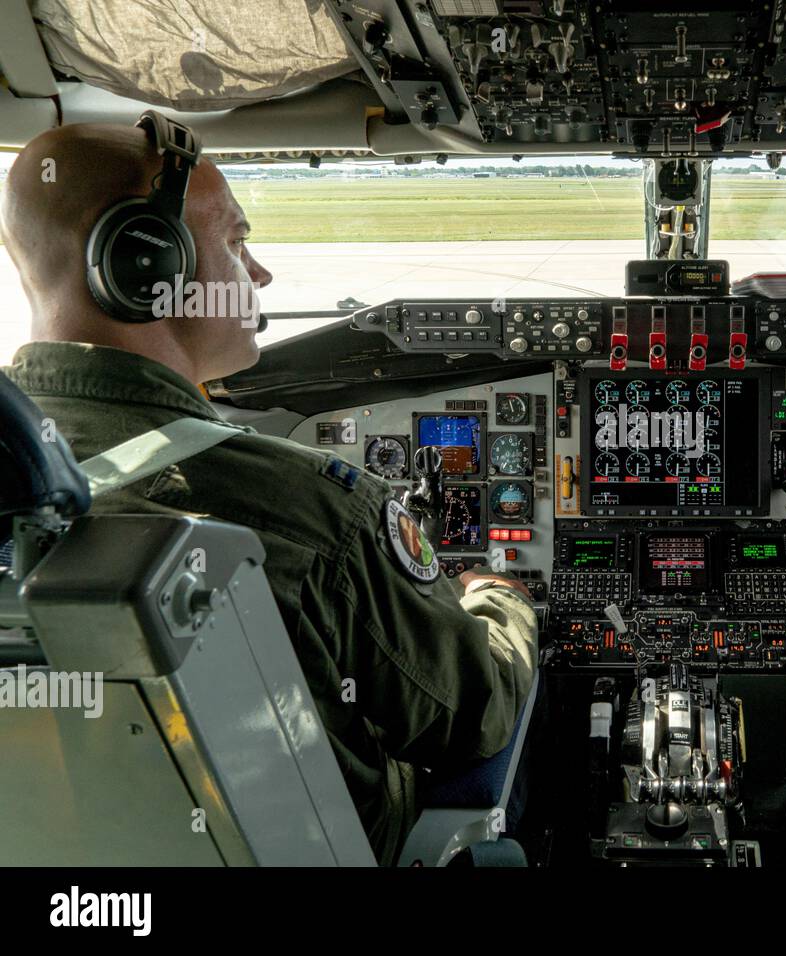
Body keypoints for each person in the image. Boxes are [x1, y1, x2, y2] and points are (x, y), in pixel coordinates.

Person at [0, 120, 538, 866]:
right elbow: (473, 711)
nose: (259, 275)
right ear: (143, 261)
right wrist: (497, 596)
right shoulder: (313, 512)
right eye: (234, 241)